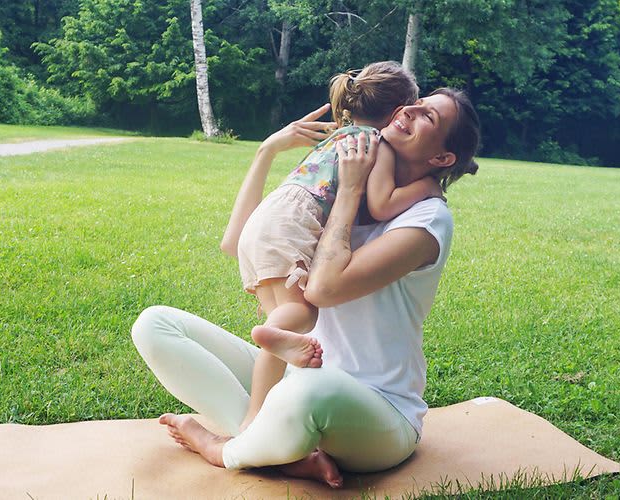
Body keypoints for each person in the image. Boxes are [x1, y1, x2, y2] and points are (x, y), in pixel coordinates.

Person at [131, 87, 481, 488]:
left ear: (441, 158)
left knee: (308, 392)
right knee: (154, 325)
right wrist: (268, 150)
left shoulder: (427, 219)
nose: (411, 109)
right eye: (417, 103)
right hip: (299, 374)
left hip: (379, 409)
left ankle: (225, 448)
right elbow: (238, 241)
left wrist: (349, 192)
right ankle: (281, 449)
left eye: (428, 117)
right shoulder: (346, 176)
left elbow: (324, 289)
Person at [228, 61, 443, 432]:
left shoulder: (340, 135)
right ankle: (255, 412)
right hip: (292, 224)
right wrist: (428, 188)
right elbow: (381, 203)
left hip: (267, 220)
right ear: (398, 113)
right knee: (299, 320)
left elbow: (232, 241)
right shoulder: (375, 144)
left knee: (290, 338)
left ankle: (267, 421)